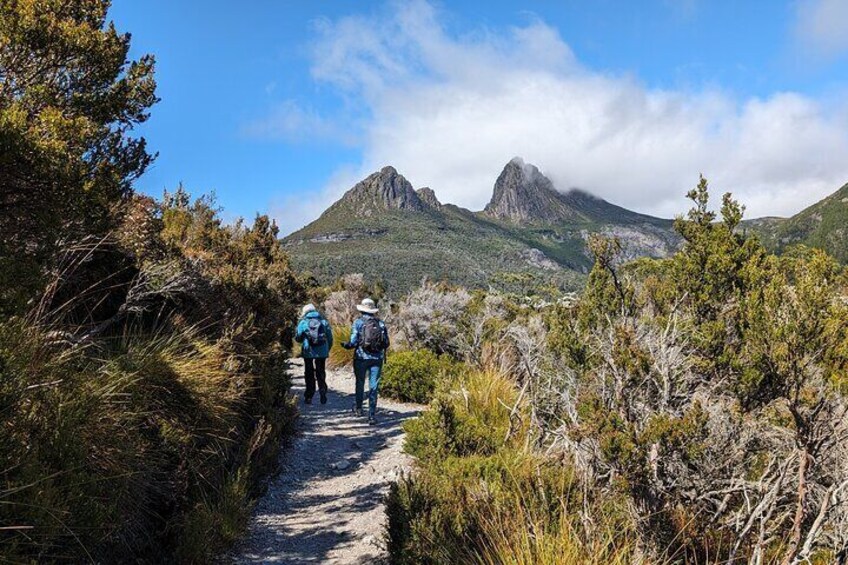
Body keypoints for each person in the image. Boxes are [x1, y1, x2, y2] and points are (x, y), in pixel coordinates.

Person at [342, 298, 390, 425]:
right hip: (377, 359)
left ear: (362, 309)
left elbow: (353, 341)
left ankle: (358, 409)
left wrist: (346, 345)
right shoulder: (381, 324)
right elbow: (386, 343)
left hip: (361, 358)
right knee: (374, 386)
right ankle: (372, 416)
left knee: (360, 382)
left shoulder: (358, 323)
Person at [294, 303, 333, 405]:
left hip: (308, 351)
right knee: (321, 371)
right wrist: (327, 349)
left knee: (309, 373)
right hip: (322, 351)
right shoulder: (323, 322)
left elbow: (298, 338)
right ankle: (323, 390)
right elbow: (330, 337)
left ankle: (309, 396)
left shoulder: (303, 323)